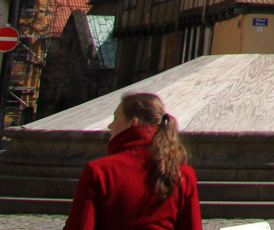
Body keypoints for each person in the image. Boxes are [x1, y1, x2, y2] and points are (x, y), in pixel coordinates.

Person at [63, 92, 201, 230]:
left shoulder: (99, 171)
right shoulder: (183, 173)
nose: (110, 125)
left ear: (133, 123)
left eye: (116, 118)